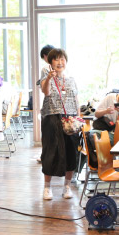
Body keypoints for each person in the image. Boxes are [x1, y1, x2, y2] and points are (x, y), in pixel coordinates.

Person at [40, 48, 81, 200]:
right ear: (50, 63)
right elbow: (46, 92)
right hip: (52, 118)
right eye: (56, 59)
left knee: (71, 153)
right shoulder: (46, 78)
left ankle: (67, 187)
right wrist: (50, 78)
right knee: (50, 152)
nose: (59, 62)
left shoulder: (71, 80)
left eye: (62, 59)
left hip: (70, 120)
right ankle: (47, 188)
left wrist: (78, 118)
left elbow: (76, 100)